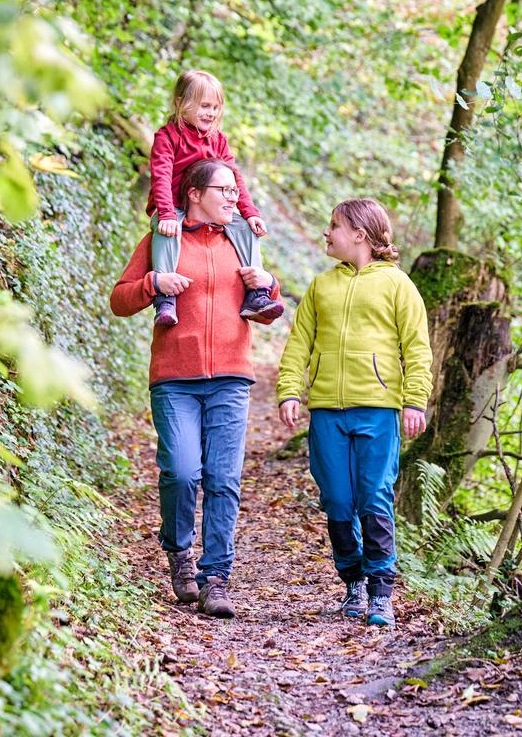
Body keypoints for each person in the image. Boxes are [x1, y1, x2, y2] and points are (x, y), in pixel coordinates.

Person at [111, 159, 283, 618]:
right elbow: (120, 299)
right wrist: (153, 283)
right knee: (183, 473)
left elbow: (267, 309)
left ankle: (216, 579)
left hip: (231, 376)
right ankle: (179, 552)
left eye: (234, 190)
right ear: (194, 194)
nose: (233, 197)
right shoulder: (163, 240)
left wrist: (269, 286)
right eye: (223, 190)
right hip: (175, 379)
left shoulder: (241, 240)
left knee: (224, 480)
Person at [276, 198, 432, 627]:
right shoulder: (320, 286)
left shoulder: (398, 285)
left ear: (360, 234)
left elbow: (417, 348)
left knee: (374, 496)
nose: (327, 233)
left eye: (334, 226)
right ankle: (352, 582)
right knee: (337, 500)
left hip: (379, 410)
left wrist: (415, 400)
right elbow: (297, 346)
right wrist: (290, 392)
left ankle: (381, 589)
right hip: (327, 410)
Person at [146, 70, 282, 328]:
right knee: (166, 233)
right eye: (204, 106)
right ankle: (165, 298)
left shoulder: (217, 140)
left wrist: (250, 212)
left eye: (215, 107)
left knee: (244, 226)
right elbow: (161, 175)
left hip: (210, 207)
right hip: (173, 205)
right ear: (180, 103)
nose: (210, 113)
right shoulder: (168, 137)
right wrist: (165, 214)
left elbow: (234, 178)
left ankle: (256, 292)